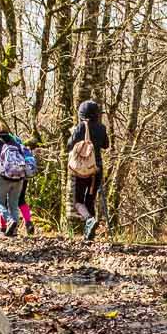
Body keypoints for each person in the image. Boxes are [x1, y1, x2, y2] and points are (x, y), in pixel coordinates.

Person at [65, 99, 110, 239]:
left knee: (78, 201)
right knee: (90, 200)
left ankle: (89, 220)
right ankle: (90, 233)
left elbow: (69, 145)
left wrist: (74, 133)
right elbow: (106, 145)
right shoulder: (101, 128)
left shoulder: (80, 127)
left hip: (82, 170)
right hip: (96, 169)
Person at [0, 119, 36, 236]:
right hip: (18, 178)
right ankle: (13, 231)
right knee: (13, 204)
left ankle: (9, 221)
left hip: (2, 177)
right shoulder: (15, 142)